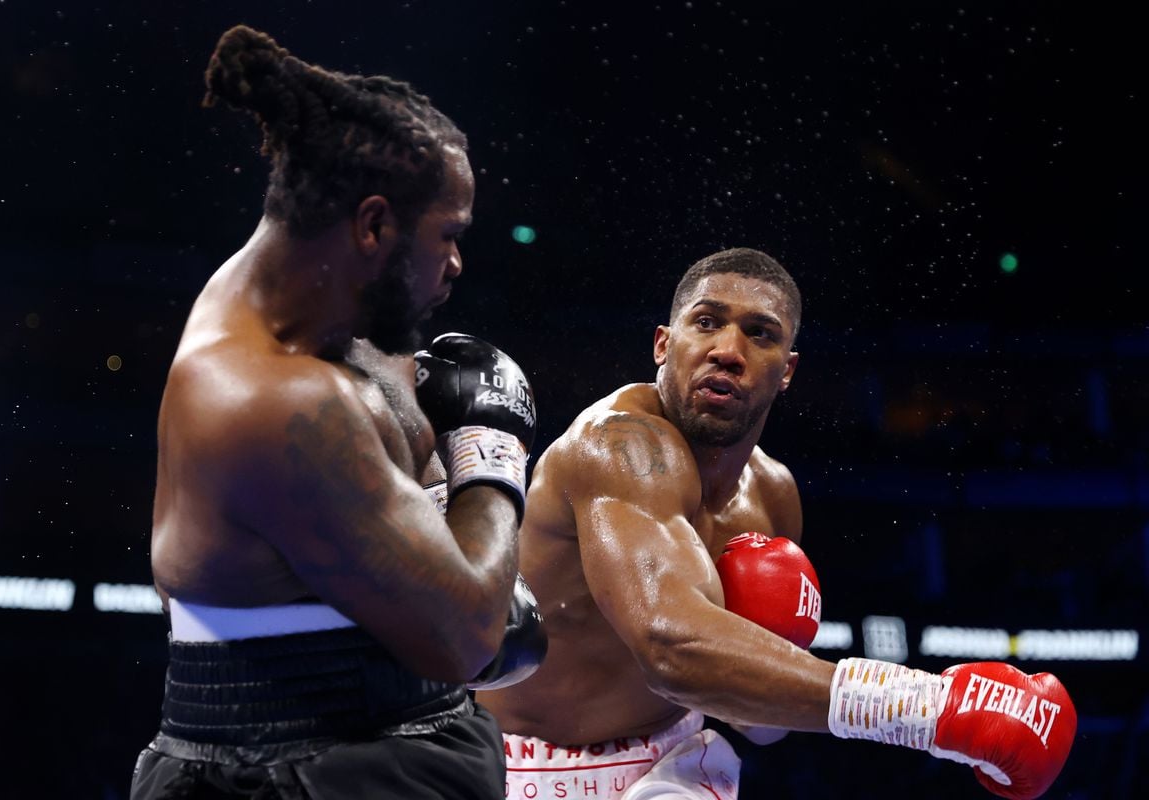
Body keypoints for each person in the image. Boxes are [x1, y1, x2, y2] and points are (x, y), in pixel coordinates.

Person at [480, 248, 1076, 800]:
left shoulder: (772, 495)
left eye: (758, 333)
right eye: (706, 323)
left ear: (787, 370)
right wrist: (932, 708)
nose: (728, 350)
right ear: (664, 343)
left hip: (670, 759)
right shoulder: (617, 445)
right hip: (521, 766)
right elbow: (669, 649)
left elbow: (758, 726)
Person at [130, 25, 544, 799]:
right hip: (300, 770)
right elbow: (467, 637)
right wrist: (492, 454)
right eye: (448, 234)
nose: (457, 262)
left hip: (387, 744)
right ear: (374, 225)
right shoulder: (268, 399)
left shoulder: (328, 312)